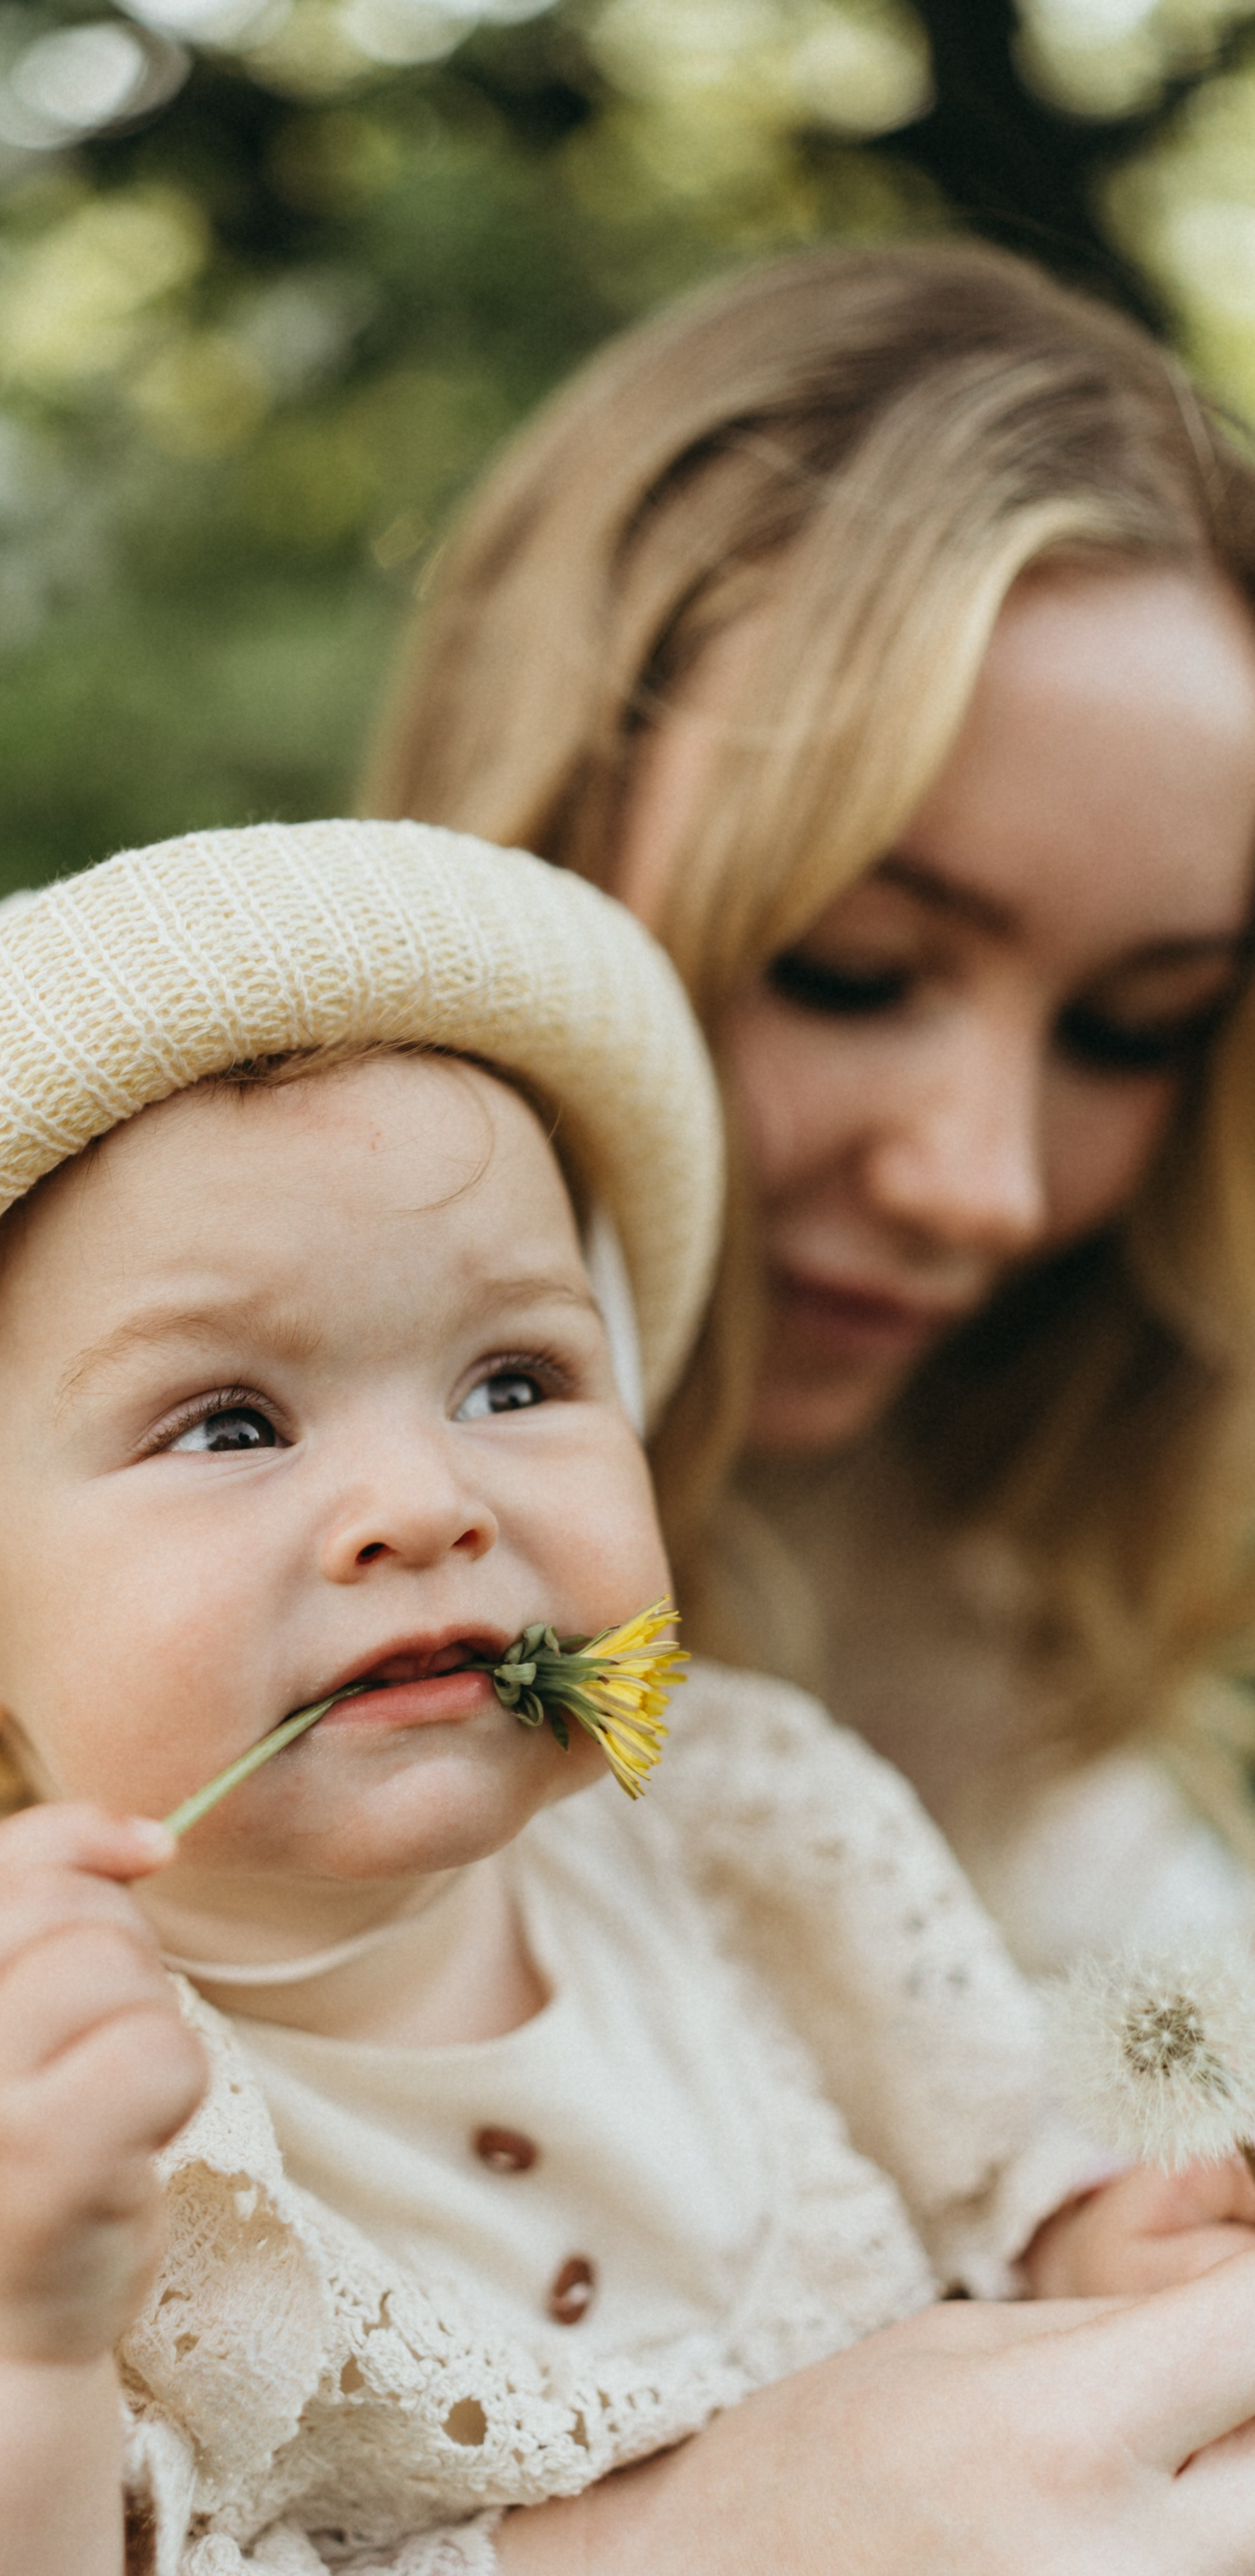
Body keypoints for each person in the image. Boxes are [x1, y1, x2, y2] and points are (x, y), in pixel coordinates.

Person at [0, 819, 1255, 2576]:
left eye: (515, 1383)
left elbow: (992, 2180)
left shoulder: (737, 1828)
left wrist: (1105, 2247)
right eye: (229, 1422)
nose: (418, 1501)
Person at [365, 238, 1255, 1973]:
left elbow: (1173, 2072)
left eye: (1132, 1031)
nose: (976, 1187)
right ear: (539, 824)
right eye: (850, 968)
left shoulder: (963, 1551)